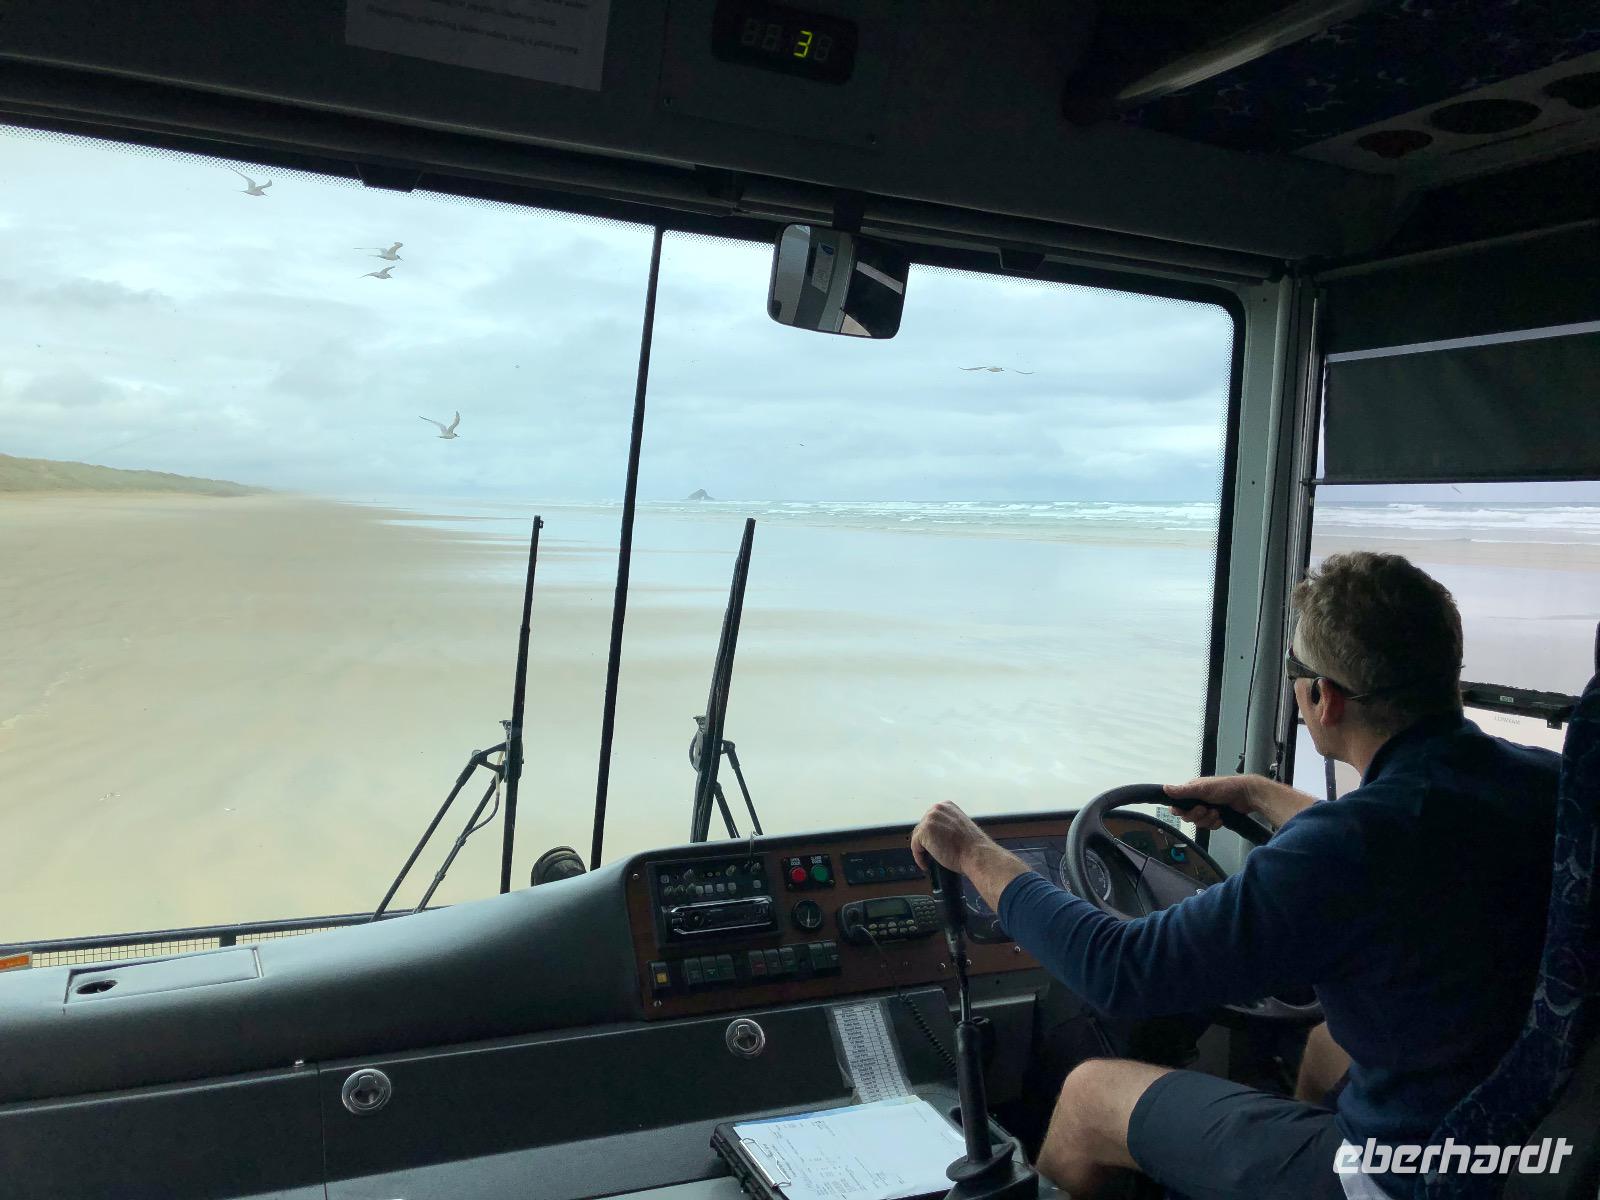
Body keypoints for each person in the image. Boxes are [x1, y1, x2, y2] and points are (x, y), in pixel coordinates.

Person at [911, 552, 1560, 1199]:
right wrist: (1256, 794)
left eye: (1294, 674)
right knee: (1327, 1040)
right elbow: (1409, 837)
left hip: (1407, 1177)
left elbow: (1118, 968)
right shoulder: (1544, 783)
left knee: (1088, 1098)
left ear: (1322, 698)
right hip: (1525, 1133)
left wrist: (974, 854)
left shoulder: (1343, 849)